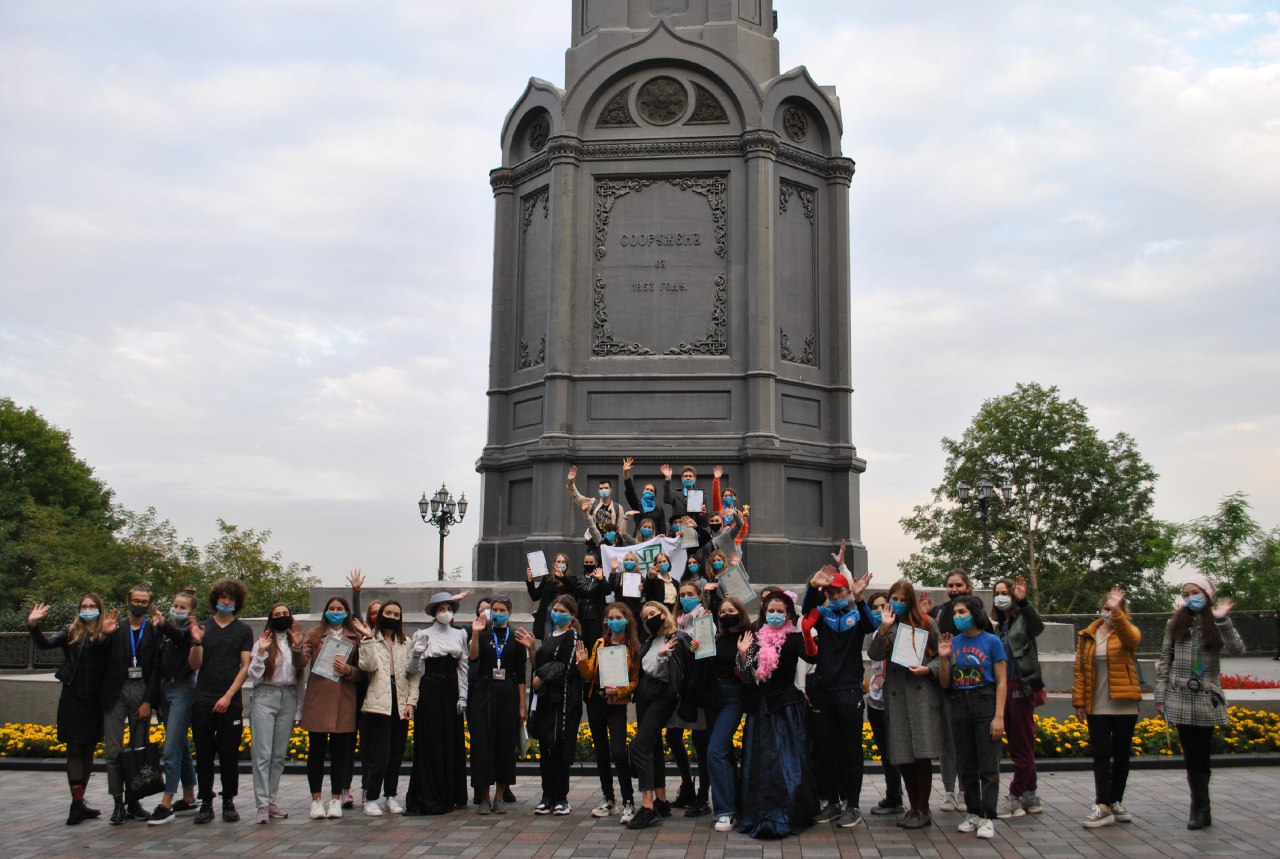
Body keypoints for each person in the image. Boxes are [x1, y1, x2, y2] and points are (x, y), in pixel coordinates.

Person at [1155, 574, 1244, 830]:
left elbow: (1237, 649)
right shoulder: (1176, 623)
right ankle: (1198, 807)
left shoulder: (1215, 623)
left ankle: (1203, 807)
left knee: (1202, 753)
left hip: (1205, 696)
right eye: (1186, 594)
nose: (1190, 598)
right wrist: (1161, 698)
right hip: (1180, 695)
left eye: (1195, 592)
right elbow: (1165, 661)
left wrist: (1223, 619)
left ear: (1206, 594)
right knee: (1190, 753)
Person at [735, 590, 820, 838]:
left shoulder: (793, 639)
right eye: (770, 611)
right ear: (764, 613)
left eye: (779, 611)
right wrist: (742, 654)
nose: (774, 615)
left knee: (788, 763)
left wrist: (806, 634)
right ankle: (759, 810)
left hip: (786, 709)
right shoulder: (755, 638)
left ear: (788, 614)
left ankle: (790, 811)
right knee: (761, 763)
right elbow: (749, 678)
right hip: (760, 709)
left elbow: (813, 655)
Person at [800, 560, 875, 829]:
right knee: (824, 749)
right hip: (823, 689)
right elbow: (806, 610)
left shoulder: (856, 617)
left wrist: (860, 598)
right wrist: (812, 586)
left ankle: (852, 804)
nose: (833, 597)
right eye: (829, 593)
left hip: (849, 689)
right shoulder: (822, 613)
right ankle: (831, 801)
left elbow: (871, 626)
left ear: (846, 593)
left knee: (851, 750)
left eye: (838, 593)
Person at [27, 594, 114, 825]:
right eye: (84, 606)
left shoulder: (108, 631)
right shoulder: (70, 631)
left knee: (88, 752)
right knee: (74, 750)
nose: (87, 609)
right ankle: (75, 805)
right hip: (73, 698)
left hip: (95, 700)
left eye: (92, 606)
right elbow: (44, 645)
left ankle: (80, 800)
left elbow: (107, 659)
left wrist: (105, 635)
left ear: (99, 608)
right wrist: (34, 625)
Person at [867, 580, 944, 829]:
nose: (898, 604)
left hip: (921, 694)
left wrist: (928, 669)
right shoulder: (888, 624)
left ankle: (923, 808)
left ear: (909, 601)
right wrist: (883, 628)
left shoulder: (925, 622)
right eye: (894, 599)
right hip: (896, 696)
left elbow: (943, 654)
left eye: (902, 600)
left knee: (921, 755)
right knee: (902, 756)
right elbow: (874, 654)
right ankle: (913, 806)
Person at [937, 595, 1007, 840]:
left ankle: (988, 816)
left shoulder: (992, 641)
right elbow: (946, 683)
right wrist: (944, 658)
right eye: (955, 612)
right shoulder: (953, 642)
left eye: (962, 612)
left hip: (984, 700)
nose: (957, 617)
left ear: (974, 614)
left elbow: (1001, 681)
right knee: (965, 764)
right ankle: (974, 812)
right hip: (959, 702)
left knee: (988, 764)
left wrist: (999, 716)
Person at [1072, 586, 1141, 828]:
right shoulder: (1088, 635)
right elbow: (1080, 670)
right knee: (1101, 755)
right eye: (1106, 608)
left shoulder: (1127, 632)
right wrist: (1079, 702)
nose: (1109, 612)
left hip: (1125, 704)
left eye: (1113, 609)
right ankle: (1103, 804)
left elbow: (1131, 639)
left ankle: (1116, 800)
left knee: (1121, 755)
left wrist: (1117, 610)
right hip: (1097, 705)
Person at [189, 578, 254, 824]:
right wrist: (196, 641)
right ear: (215, 599)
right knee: (204, 753)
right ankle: (206, 801)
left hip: (231, 700)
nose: (226, 602)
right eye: (223, 597)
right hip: (203, 698)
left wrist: (228, 696)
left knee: (228, 753)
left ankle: (229, 800)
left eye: (231, 599)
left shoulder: (243, 630)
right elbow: (195, 665)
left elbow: (245, 666)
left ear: (237, 602)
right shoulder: (203, 628)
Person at [102, 584, 164, 824]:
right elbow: (100, 657)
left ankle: (134, 801)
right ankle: (118, 802)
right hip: (116, 691)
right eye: (135, 600)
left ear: (149, 604)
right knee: (114, 751)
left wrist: (149, 700)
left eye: (143, 601)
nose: (139, 605)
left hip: (141, 691)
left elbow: (156, 667)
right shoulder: (116, 628)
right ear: (128, 601)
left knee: (138, 750)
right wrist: (105, 635)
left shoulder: (153, 630)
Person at [626, 602, 692, 830]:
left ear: (664, 614)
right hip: (644, 695)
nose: (650, 618)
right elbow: (643, 667)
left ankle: (647, 807)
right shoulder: (650, 640)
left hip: (662, 696)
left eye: (653, 614)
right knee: (652, 747)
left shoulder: (678, 637)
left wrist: (663, 656)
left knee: (639, 747)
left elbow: (675, 672)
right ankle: (661, 801)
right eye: (645, 617)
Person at [405, 593, 470, 815]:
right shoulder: (422, 635)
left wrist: (463, 695)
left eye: (449, 608)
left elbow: (463, 667)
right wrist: (415, 653)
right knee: (431, 740)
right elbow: (411, 670)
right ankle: (430, 792)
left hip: (451, 688)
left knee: (450, 740)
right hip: (430, 688)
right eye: (441, 608)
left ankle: (452, 793)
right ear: (434, 612)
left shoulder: (460, 634)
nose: (445, 612)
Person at [300, 596, 364, 820]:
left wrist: (348, 669)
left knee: (341, 754)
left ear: (346, 612)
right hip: (318, 699)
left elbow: (362, 671)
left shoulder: (355, 637)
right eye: (331, 608)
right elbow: (300, 663)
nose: (335, 612)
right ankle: (316, 800)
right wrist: (298, 644)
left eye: (339, 608)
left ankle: (336, 798)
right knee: (316, 752)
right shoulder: (314, 635)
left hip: (344, 700)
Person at [577, 601, 640, 822]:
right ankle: (609, 799)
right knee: (601, 752)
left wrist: (620, 689)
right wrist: (582, 662)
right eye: (610, 618)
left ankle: (629, 801)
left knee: (619, 752)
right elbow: (589, 674)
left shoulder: (633, 647)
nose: (614, 622)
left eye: (618, 618)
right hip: (596, 702)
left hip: (617, 704)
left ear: (627, 620)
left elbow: (634, 681)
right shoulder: (599, 644)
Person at [929, 569, 987, 812]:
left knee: (968, 742)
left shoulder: (979, 614)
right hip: (946, 683)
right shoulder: (940, 611)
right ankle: (950, 791)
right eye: (950, 585)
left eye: (958, 585)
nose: (953, 590)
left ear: (968, 587)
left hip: (973, 686)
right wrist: (926, 616)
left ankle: (967, 789)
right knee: (948, 742)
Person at [357, 601, 420, 816]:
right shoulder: (371, 639)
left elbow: (414, 675)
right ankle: (371, 797)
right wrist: (367, 639)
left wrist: (411, 702)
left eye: (396, 614)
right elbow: (367, 666)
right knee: (380, 754)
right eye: (388, 613)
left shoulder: (406, 641)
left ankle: (391, 795)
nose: (392, 617)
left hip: (400, 700)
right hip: (379, 701)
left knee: (396, 752)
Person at [247, 603, 307, 824]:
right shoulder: (263, 642)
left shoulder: (296, 643)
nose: (282, 617)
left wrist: (299, 709)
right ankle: (262, 804)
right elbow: (254, 675)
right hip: (265, 695)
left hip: (288, 696)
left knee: (279, 755)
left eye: (285, 614)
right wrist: (262, 652)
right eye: (277, 615)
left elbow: (300, 678)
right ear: (271, 619)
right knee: (262, 753)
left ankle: (271, 799)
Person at [991, 575, 1046, 819]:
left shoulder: (1022, 621)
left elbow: (1037, 627)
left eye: (1005, 593)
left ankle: (1014, 796)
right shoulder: (1000, 626)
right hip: (1005, 685)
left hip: (1020, 686)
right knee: (1019, 743)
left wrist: (1024, 603)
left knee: (1022, 745)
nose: (1000, 597)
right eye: (997, 593)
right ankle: (1031, 794)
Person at [468, 595, 527, 814]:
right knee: (482, 745)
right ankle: (483, 797)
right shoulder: (483, 635)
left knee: (505, 745)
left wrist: (522, 705)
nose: (498, 613)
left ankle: (500, 796)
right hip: (484, 691)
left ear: (510, 613)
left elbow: (521, 674)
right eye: (495, 609)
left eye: (503, 610)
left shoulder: (516, 638)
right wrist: (475, 633)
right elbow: (473, 658)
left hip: (508, 693)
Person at [526, 594, 584, 815]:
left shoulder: (573, 635)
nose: (557, 614)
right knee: (546, 748)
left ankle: (561, 797)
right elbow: (539, 664)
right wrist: (532, 649)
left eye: (562, 611)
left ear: (571, 615)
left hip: (564, 701)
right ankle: (546, 794)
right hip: (546, 701)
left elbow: (566, 667)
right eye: (555, 609)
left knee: (560, 748)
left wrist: (541, 678)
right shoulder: (550, 635)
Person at [148, 587, 200, 825]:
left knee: (171, 749)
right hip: (165, 688)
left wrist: (163, 625)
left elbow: (183, 640)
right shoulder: (164, 631)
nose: (177, 610)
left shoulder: (192, 631)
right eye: (175, 605)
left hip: (183, 688)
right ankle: (189, 796)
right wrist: (156, 698)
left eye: (182, 607)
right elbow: (158, 662)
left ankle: (167, 801)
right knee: (179, 743)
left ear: (191, 612)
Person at [673, 579, 722, 818]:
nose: (685, 598)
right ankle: (686, 786)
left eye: (689, 594)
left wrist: (697, 648)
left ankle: (703, 795)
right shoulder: (677, 620)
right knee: (673, 736)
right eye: (682, 594)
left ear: (699, 597)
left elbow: (708, 650)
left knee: (701, 742)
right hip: (679, 686)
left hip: (698, 686)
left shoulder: (705, 620)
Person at [704, 596, 750, 832]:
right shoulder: (718, 637)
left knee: (716, 750)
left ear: (740, 612)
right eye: (723, 611)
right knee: (725, 753)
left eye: (731, 610)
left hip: (733, 694)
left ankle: (725, 811)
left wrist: (743, 654)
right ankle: (732, 804)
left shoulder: (747, 636)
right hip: (714, 696)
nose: (726, 613)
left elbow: (750, 671)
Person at [861, 592, 904, 818]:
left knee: (899, 751)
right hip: (876, 700)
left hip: (895, 699)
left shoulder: (900, 632)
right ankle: (893, 795)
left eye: (883, 606)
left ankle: (907, 798)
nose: (880, 612)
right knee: (886, 752)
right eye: (875, 608)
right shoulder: (873, 633)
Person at [567, 465, 626, 544]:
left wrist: (616, 543)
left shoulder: (618, 508)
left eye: (606, 488)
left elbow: (620, 528)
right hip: (593, 541)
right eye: (601, 488)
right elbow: (577, 497)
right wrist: (570, 482)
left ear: (611, 490)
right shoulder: (592, 503)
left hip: (611, 542)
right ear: (598, 490)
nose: (603, 490)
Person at [526, 554, 578, 639]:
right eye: (558, 561)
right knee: (547, 639)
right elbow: (535, 596)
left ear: (567, 565)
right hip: (547, 616)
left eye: (563, 562)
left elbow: (572, 588)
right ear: (554, 564)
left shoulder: (572, 579)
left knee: (559, 638)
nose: (560, 564)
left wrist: (562, 577)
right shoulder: (547, 578)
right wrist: (530, 580)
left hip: (561, 616)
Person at [622, 456, 668, 538]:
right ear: (643, 491)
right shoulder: (637, 505)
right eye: (647, 489)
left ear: (654, 494)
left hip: (654, 540)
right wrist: (626, 473)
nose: (649, 491)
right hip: (638, 538)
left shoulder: (659, 510)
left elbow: (662, 527)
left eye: (651, 490)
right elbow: (630, 491)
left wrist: (662, 539)